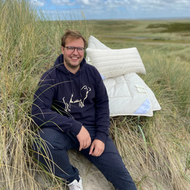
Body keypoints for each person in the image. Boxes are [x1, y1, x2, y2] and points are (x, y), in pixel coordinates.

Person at [32, 29, 137, 190]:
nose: (75, 53)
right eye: (71, 48)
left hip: (94, 131)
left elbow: (103, 105)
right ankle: (72, 179)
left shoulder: (92, 73)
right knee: (42, 142)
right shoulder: (51, 77)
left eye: (80, 49)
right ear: (62, 49)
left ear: (84, 51)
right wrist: (75, 126)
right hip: (63, 130)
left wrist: (101, 136)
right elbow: (38, 112)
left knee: (124, 181)